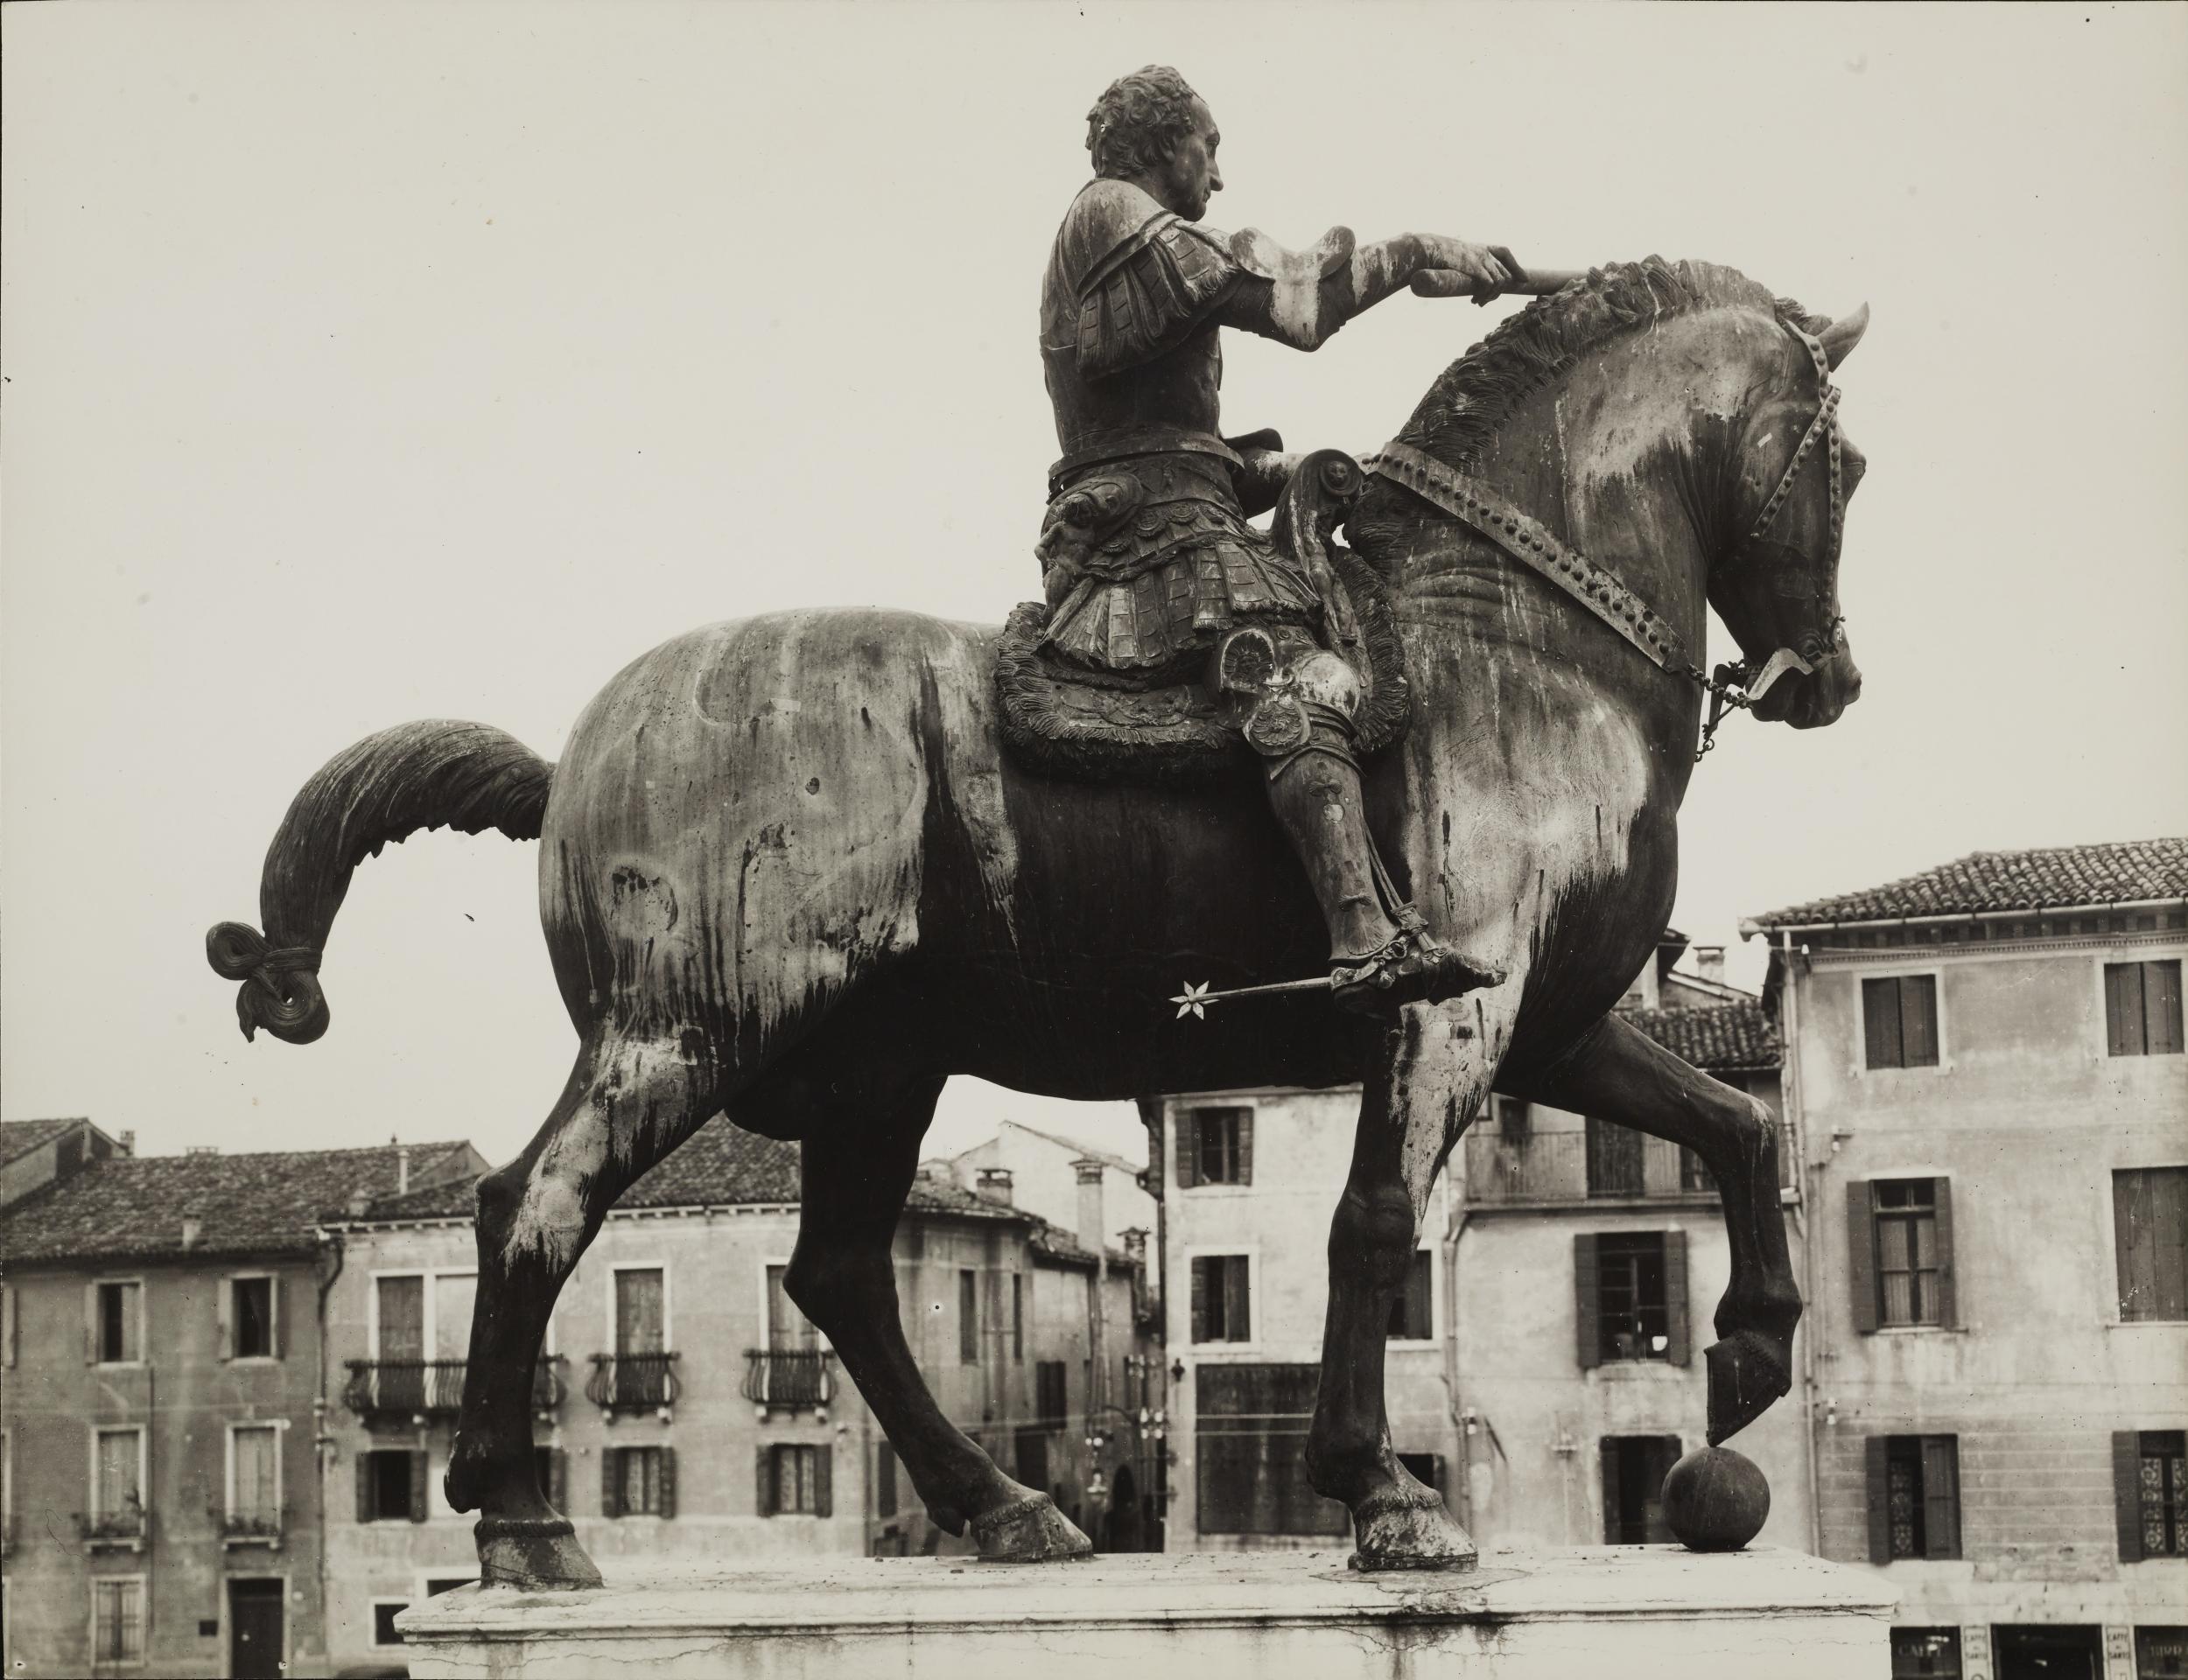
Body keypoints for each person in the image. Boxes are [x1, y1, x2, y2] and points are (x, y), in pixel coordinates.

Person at [1036, 65, 1517, 1012]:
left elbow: (1173, 436)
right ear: (1156, 141)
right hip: (1151, 532)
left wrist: (1290, 472)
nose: (1218, 175)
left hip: (1173, 499)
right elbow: (1297, 307)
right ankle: (1359, 932)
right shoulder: (1113, 214)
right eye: (1207, 146)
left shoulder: (1130, 233)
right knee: (1290, 670)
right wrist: (1421, 249)